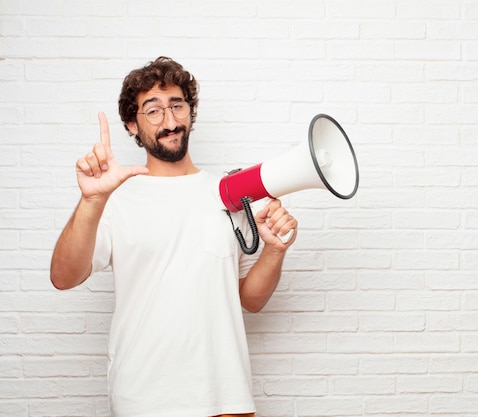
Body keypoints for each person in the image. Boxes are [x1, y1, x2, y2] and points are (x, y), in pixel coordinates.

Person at [50, 56, 298, 417]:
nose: (170, 122)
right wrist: (91, 199)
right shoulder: (113, 199)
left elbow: (251, 300)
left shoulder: (228, 193)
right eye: (153, 111)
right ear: (131, 124)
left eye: (177, 106)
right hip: (144, 400)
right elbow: (63, 277)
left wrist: (275, 251)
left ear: (190, 112)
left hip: (226, 397)